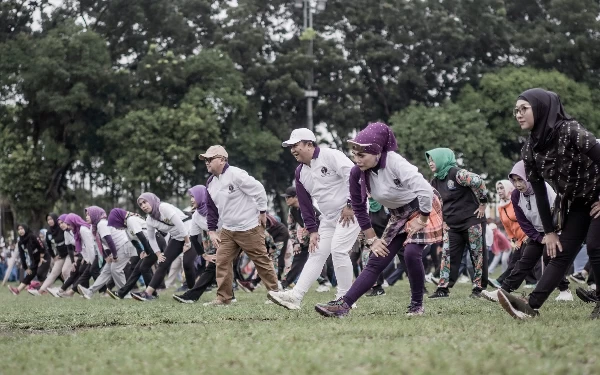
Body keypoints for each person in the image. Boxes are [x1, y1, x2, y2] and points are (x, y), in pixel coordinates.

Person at [315, 122, 443, 317]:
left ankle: (417, 305)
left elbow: (425, 190)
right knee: (376, 260)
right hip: (398, 214)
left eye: (361, 155)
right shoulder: (357, 173)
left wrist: (424, 219)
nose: (356, 160)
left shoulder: (395, 163)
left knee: (410, 253)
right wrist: (372, 239)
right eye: (354, 154)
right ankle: (343, 307)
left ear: (377, 153)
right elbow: (358, 206)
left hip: (423, 207)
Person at [498, 88, 600, 320]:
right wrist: (550, 232)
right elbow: (541, 193)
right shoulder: (530, 148)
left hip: (598, 195)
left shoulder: (571, 131)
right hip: (576, 203)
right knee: (560, 253)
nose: (518, 114)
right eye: (516, 110)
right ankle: (530, 306)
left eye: (524, 109)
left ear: (541, 108)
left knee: (595, 246)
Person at [268, 129, 360, 310]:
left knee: (339, 250)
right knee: (316, 253)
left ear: (309, 144)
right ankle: (295, 297)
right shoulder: (300, 171)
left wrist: (350, 204)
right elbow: (304, 203)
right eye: (291, 147)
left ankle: (346, 299)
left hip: (351, 211)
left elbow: (354, 175)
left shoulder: (331, 155)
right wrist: (312, 231)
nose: (293, 150)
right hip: (328, 218)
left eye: (296, 145)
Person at [482, 160, 572, 302]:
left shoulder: (543, 188)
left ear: (529, 177)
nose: (518, 184)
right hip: (537, 232)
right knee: (524, 261)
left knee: (550, 259)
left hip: (555, 230)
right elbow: (522, 221)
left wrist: (550, 234)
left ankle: (565, 291)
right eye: (514, 180)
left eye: (521, 180)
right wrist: (537, 237)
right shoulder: (516, 195)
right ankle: (503, 291)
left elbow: (556, 213)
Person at [201, 145, 278, 306]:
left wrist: (262, 212)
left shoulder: (236, 175)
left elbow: (259, 190)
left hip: (249, 227)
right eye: (205, 160)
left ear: (222, 160)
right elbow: (212, 209)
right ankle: (224, 298)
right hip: (228, 230)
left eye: (210, 159)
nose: (207, 162)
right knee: (222, 261)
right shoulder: (210, 183)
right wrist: (212, 230)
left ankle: (276, 294)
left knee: (261, 261)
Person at [426, 148, 489, 299]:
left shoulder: (458, 174)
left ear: (442, 159)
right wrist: (442, 221)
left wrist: (482, 203)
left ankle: (479, 289)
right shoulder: (435, 181)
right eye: (429, 160)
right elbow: (435, 204)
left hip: (471, 221)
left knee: (477, 256)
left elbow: (478, 181)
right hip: (451, 225)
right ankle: (443, 289)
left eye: (433, 159)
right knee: (447, 256)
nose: (430, 163)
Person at [172, 185, 236, 304]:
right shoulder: (196, 215)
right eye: (190, 197)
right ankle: (228, 295)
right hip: (220, 240)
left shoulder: (217, 207)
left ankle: (274, 288)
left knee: (257, 257)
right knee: (214, 265)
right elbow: (194, 238)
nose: (191, 199)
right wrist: (204, 255)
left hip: (236, 235)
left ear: (202, 196)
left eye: (193, 196)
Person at [131, 192, 194, 301]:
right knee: (163, 263)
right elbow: (151, 238)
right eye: (141, 205)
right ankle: (148, 294)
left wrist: (187, 243)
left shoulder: (163, 207)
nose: (143, 206)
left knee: (187, 264)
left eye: (145, 202)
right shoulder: (149, 220)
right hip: (177, 237)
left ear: (151, 200)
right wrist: (158, 254)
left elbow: (179, 223)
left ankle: (193, 290)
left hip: (190, 233)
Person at [77, 206, 137, 299]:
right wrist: (106, 257)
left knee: (115, 269)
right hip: (117, 248)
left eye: (89, 214)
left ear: (95, 214)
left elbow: (109, 241)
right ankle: (89, 292)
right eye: (86, 215)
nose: (87, 217)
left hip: (125, 245)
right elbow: (99, 244)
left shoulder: (102, 224)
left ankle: (125, 294)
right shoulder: (94, 228)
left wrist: (115, 255)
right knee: (106, 271)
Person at [281, 186, 329, 291]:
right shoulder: (292, 210)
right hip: (307, 236)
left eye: (288, 197)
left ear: (296, 197)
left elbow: (320, 222)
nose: (286, 200)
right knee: (299, 257)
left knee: (317, 256)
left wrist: (312, 236)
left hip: (321, 234)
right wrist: (295, 244)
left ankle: (325, 283)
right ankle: (285, 284)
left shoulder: (307, 207)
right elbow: (291, 227)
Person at [106, 208, 157, 300]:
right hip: (149, 244)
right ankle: (122, 293)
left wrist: (147, 252)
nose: (116, 228)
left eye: (115, 225)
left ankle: (150, 294)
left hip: (155, 241)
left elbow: (142, 237)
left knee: (142, 268)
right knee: (139, 269)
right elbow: (134, 241)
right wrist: (141, 251)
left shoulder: (131, 220)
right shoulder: (126, 227)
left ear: (118, 219)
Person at [29, 213, 73, 296]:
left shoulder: (62, 228)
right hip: (60, 255)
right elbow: (48, 246)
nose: (49, 221)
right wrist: (54, 256)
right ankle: (40, 291)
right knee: (53, 273)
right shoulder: (49, 232)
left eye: (51, 219)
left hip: (69, 253)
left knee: (65, 271)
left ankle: (69, 291)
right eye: (48, 220)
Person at [7, 224, 50, 295]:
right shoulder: (21, 242)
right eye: (19, 229)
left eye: (22, 229)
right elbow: (22, 255)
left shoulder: (32, 236)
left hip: (44, 256)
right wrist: (26, 268)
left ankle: (43, 290)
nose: (20, 231)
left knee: (40, 273)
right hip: (35, 260)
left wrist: (41, 257)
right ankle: (17, 290)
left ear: (25, 229)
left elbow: (42, 246)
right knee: (29, 274)